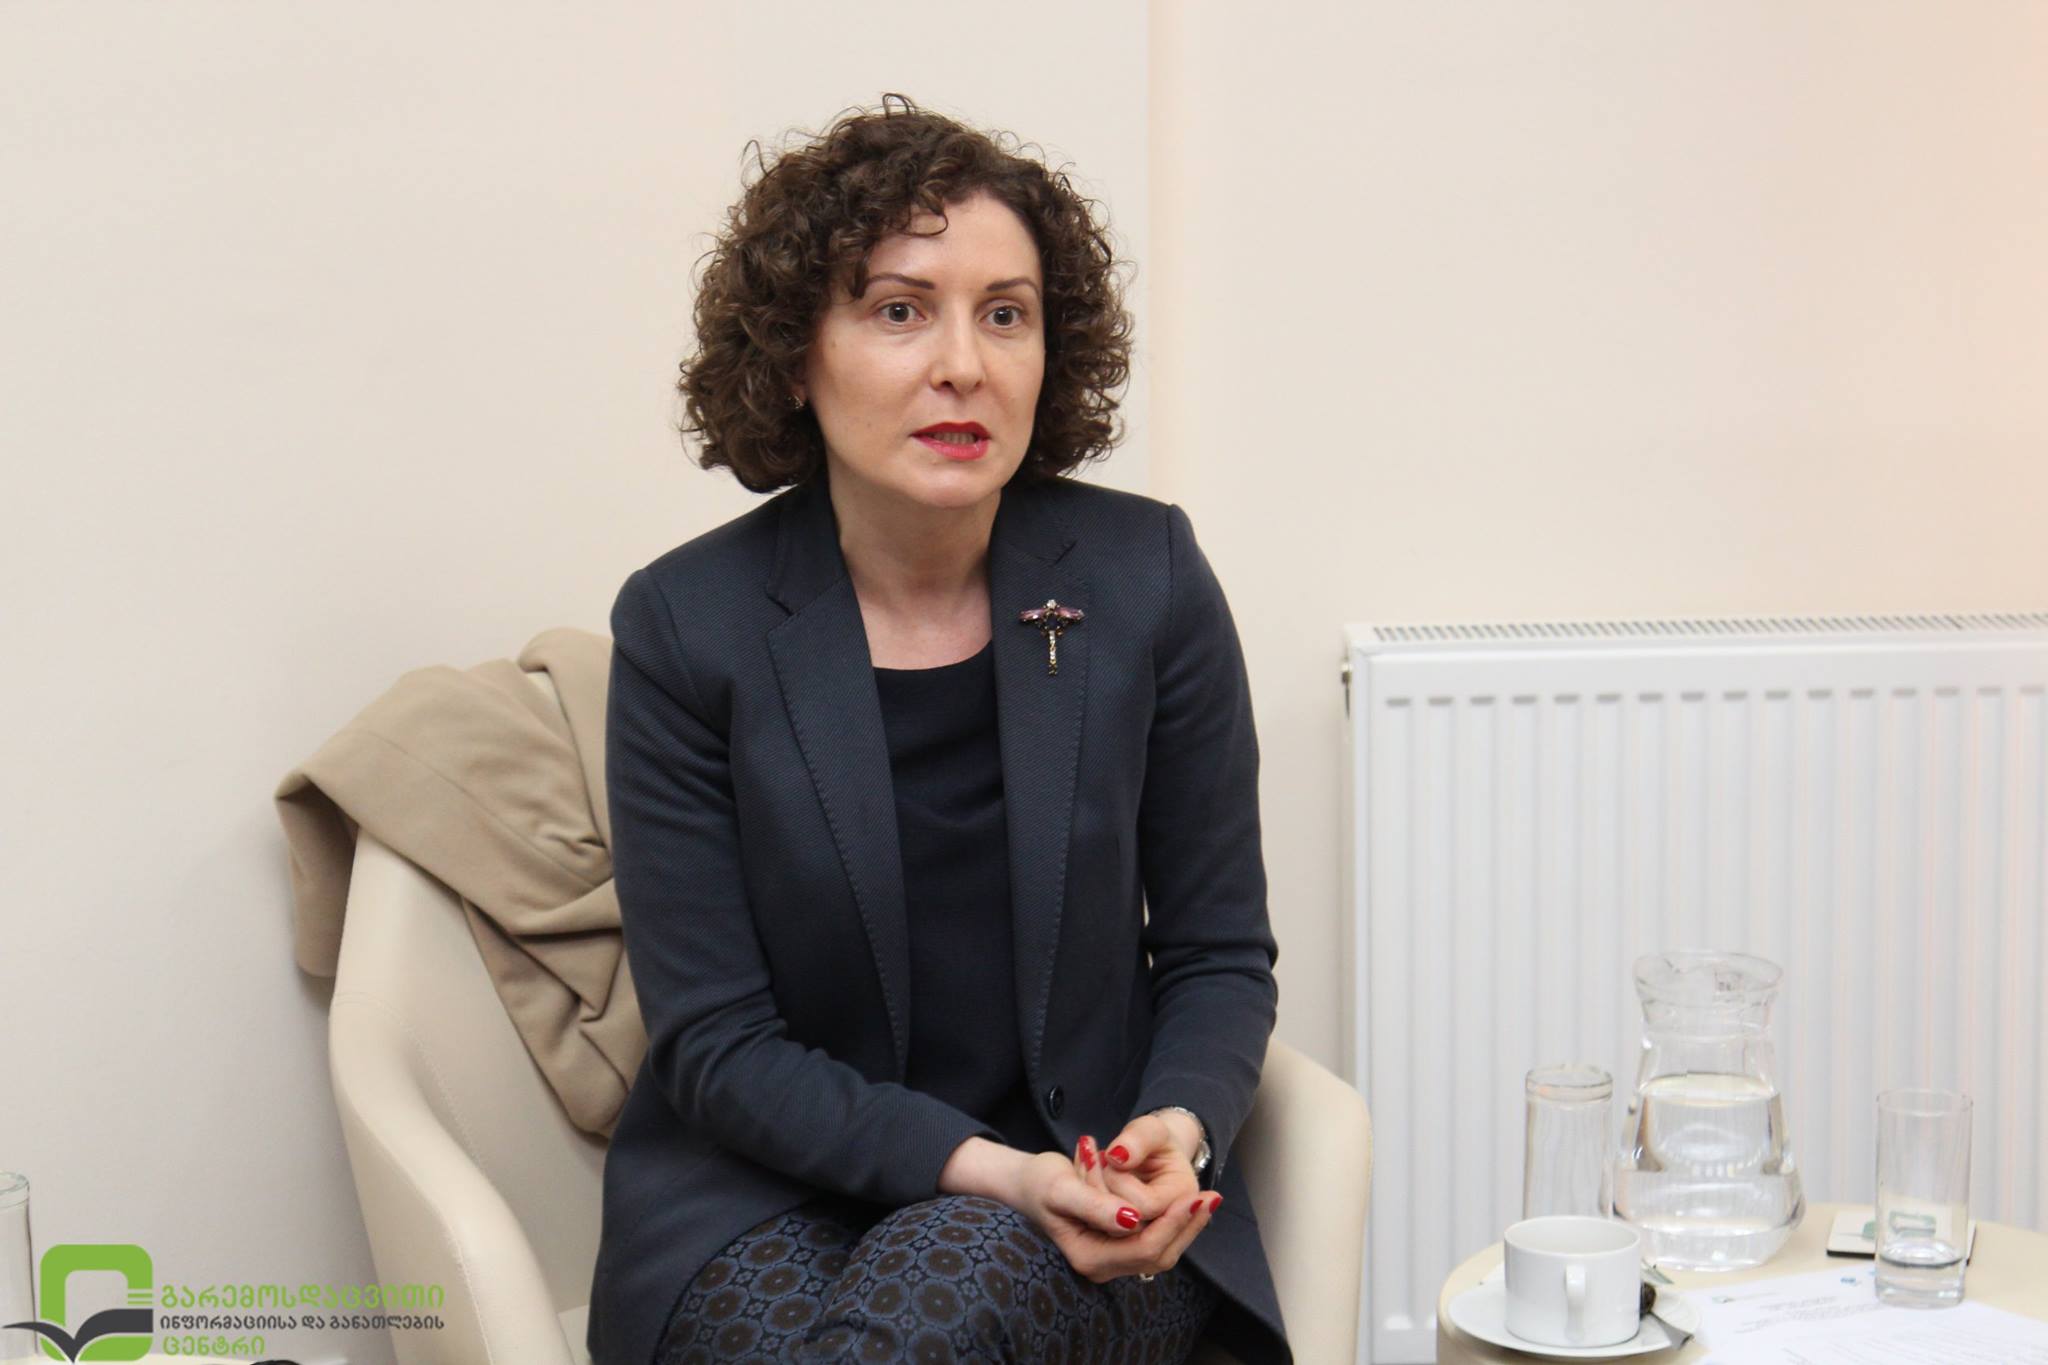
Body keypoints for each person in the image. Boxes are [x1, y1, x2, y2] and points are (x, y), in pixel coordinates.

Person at [589, 95, 1287, 1365]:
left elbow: (1215, 952)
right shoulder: (687, 626)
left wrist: (1177, 1126)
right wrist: (977, 1169)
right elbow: (716, 1045)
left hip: (1081, 1175)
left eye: (1004, 314)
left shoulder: (1146, 580)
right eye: (899, 310)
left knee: (942, 1281)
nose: (962, 362)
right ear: (792, 355)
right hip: (762, 1195)